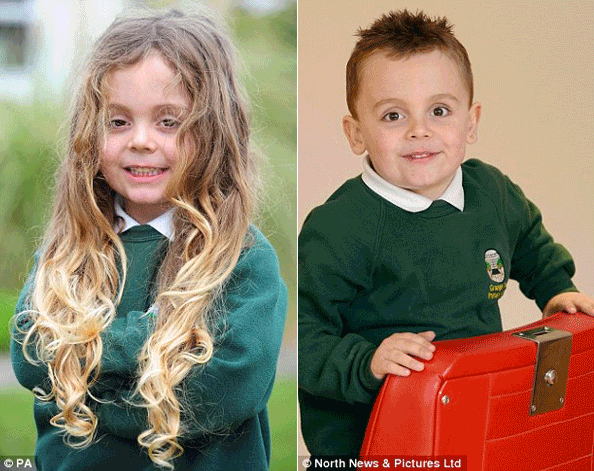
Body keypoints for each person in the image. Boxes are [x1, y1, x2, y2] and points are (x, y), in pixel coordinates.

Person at [298, 9, 594, 456]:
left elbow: (530, 242)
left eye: (439, 110)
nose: (420, 131)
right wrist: (366, 362)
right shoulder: (338, 228)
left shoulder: (491, 192)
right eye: (393, 116)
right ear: (356, 133)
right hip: (374, 440)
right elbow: (302, 335)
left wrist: (556, 290)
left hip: (475, 414)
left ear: (470, 122)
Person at [11, 9, 287, 471]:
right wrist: (157, 335)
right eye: (118, 122)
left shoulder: (244, 261)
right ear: (89, 131)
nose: (141, 141)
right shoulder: (64, 256)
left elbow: (221, 394)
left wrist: (81, 383)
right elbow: (32, 361)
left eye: (169, 122)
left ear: (215, 131)